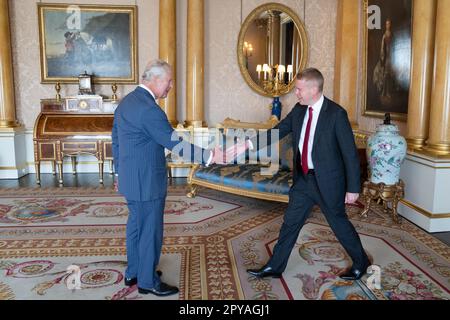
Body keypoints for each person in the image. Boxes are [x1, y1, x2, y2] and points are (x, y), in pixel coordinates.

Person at [112, 59, 239, 296]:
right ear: (157, 79)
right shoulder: (150, 109)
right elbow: (176, 143)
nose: (170, 87)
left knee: (136, 227)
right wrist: (211, 155)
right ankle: (147, 282)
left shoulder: (127, 102)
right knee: (150, 230)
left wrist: (119, 173)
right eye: (169, 81)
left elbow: (116, 142)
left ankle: (134, 271)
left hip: (131, 179)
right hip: (147, 182)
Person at [247, 68, 370, 281]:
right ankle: (275, 266)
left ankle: (361, 262)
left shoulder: (336, 114)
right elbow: (277, 131)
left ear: (314, 89)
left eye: (299, 89)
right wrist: (247, 145)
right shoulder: (299, 109)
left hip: (329, 182)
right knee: (290, 223)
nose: (296, 93)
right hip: (304, 180)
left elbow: (350, 154)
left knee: (339, 225)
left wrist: (353, 188)